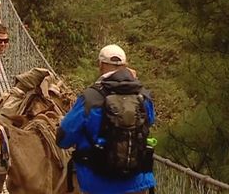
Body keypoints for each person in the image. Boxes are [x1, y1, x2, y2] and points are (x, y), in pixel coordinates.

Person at [56, 44, 156, 194]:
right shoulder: (144, 97)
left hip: (97, 184)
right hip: (137, 182)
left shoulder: (90, 98)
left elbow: (64, 139)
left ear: (101, 65)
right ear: (126, 66)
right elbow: (149, 121)